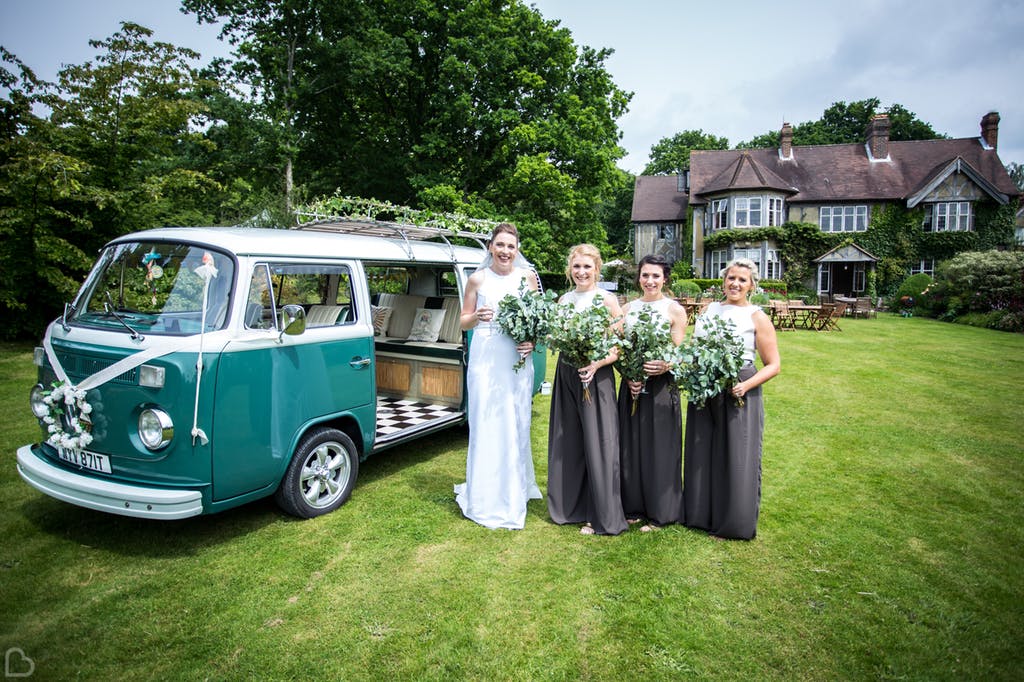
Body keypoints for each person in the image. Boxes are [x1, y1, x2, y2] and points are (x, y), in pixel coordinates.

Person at [683, 258, 781, 540]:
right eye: (731, 278)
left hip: (739, 390)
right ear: (723, 280)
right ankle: (699, 515)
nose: (735, 284)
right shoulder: (709, 308)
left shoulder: (757, 317)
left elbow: (774, 365)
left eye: (742, 280)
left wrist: (745, 385)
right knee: (701, 451)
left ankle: (733, 524)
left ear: (752, 285)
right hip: (705, 387)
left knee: (737, 456)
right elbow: (695, 345)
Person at [454, 223, 542, 529]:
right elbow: (463, 322)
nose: (506, 251)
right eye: (500, 245)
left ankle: (515, 489)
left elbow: (536, 319)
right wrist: (476, 317)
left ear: (517, 250)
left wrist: (531, 340)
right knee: (487, 421)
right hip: (486, 356)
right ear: (491, 246)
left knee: (515, 420)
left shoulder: (527, 278)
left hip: (516, 358)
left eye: (511, 246)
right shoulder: (477, 279)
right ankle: (485, 493)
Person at [547, 244, 628, 536]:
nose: (582, 272)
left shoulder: (607, 300)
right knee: (568, 440)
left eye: (587, 267)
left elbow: (620, 347)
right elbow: (555, 335)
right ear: (570, 269)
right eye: (577, 267)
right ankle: (570, 508)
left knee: (599, 442)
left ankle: (602, 515)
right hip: (567, 372)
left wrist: (596, 363)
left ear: (597, 269)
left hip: (597, 375)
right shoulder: (563, 299)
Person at [618, 254, 688, 531]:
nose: (650, 281)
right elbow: (618, 348)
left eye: (655, 276)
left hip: (662, 386)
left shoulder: (674, 310)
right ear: (639, 277)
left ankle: (662, 512)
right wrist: (628, 374)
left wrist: (667, 364)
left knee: (661, 449)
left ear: (665, 278)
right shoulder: (627, 308)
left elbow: (680, 351)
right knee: (630, 447)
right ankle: (633, 507)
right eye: (645, 275)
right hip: (632, 386)